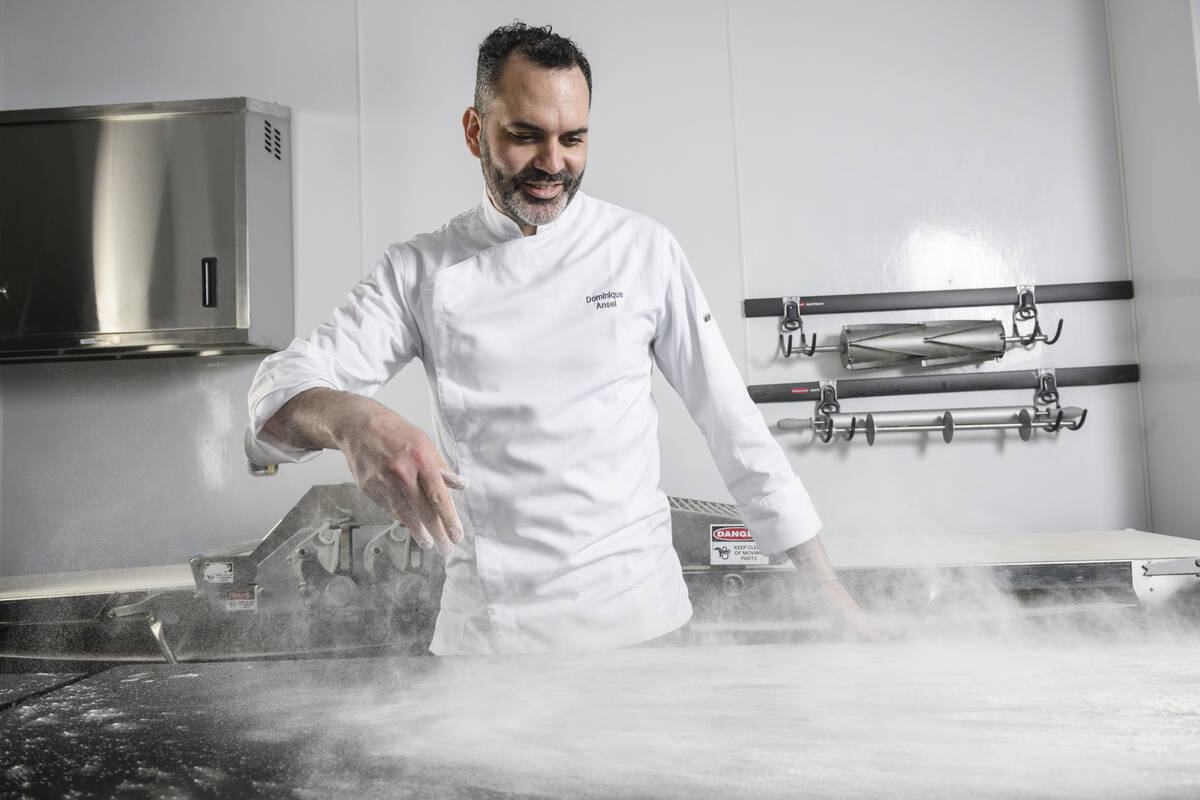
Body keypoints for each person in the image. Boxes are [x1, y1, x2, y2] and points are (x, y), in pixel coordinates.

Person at [245, 22, 878, 654]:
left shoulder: (642, 250)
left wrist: (826, 589)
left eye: (572, 138)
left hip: (645, 626)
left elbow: (732, 423)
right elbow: (272, 403)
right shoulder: (420, 270)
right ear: (475, 131)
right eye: (526, 136)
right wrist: (353, 419)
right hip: (493, 643)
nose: (553, 164)